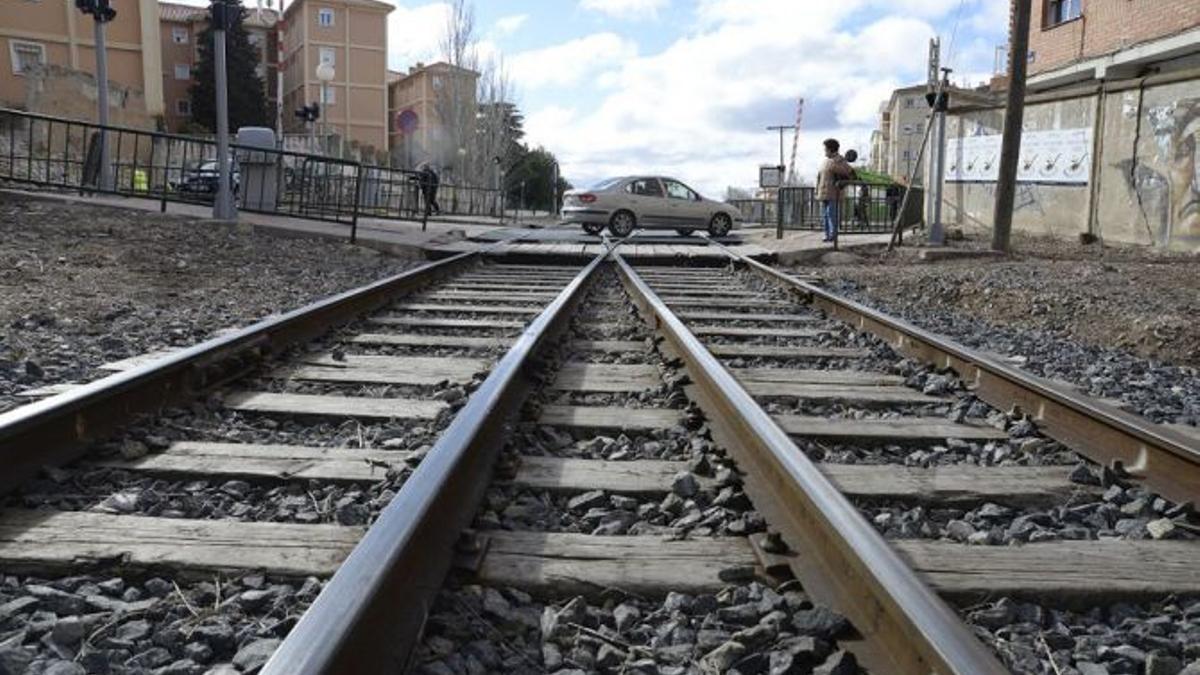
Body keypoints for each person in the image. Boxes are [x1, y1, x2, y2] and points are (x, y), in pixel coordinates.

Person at [816, 138, 853, 242]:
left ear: (830, 149)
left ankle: (833, 235)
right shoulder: (825, 162)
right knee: (825, 215)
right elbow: (819, 177)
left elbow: (848, 172)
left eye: (825, 149)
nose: (824, 151)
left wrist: (837, 165)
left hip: (834, 193)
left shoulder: (840, 160)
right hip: (823, 193)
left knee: (831, 214)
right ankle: (827, 234)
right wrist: (817, 191)